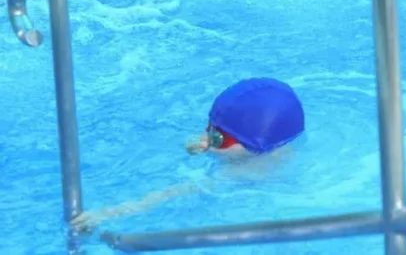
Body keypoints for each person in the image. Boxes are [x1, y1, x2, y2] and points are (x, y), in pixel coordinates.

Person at [71, 77, 305, 233]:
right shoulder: (263, 145)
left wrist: (108, 213)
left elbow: (173, 193)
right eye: (209, 129)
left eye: (218, 139)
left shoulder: (245, 172)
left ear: (255, 147)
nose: (208, 140)